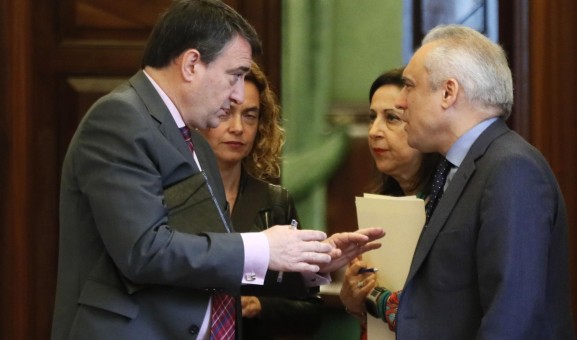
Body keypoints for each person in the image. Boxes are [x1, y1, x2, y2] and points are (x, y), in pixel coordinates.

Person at [51, 1, 383, 339]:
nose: (238, 95)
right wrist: (264, 248)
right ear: (192, 64)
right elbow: (144, 251)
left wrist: (307, 260)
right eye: (235, 75)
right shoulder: (119, 119)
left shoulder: (193, 141)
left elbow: (207, 256)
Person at [393, 24, 575, 339]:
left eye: (409, 85)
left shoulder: (511, 169)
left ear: (448, 93)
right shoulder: (459, 167)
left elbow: (512, 320)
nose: (400, 102)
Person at [200, 61, 322, 339]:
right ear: (200, 117)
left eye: (250, 116)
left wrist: (261, 306)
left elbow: (310, 310)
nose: (238, 127)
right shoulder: (172, 197)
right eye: (226, 112)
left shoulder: (275, 202)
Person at [339, 68, 441, 336]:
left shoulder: (447, 207)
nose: (374, 131)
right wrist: (352, 298)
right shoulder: (381, 206)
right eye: (372, 117)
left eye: (392, 118)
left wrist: (375, 296)